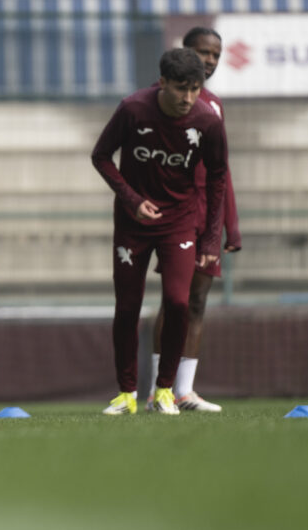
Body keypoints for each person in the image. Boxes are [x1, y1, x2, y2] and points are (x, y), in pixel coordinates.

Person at [91, 47, 227, 416]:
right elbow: (101, 156)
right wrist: (132, 199)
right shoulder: (133, 109)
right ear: (162, 82)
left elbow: (218, 177)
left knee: (179, 302)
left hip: (179, 222)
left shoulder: (208, 121)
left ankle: (164, 391)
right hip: (132, 224)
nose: (188, 98)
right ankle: (126, 394)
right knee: (128, 306)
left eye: (195, 89)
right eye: (181, 88)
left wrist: (211, 238)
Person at [146, 27, 241, 412]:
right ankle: (158, 391)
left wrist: (231, 224)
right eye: (204, 53)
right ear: (184, 53)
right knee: (175, 300)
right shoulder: (157, 101)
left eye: (216, 55)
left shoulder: (214, 106)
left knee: (197, 301)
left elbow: (221, 170)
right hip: (176, 212)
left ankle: (183, 391)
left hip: (207, 214)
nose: (210, 61)